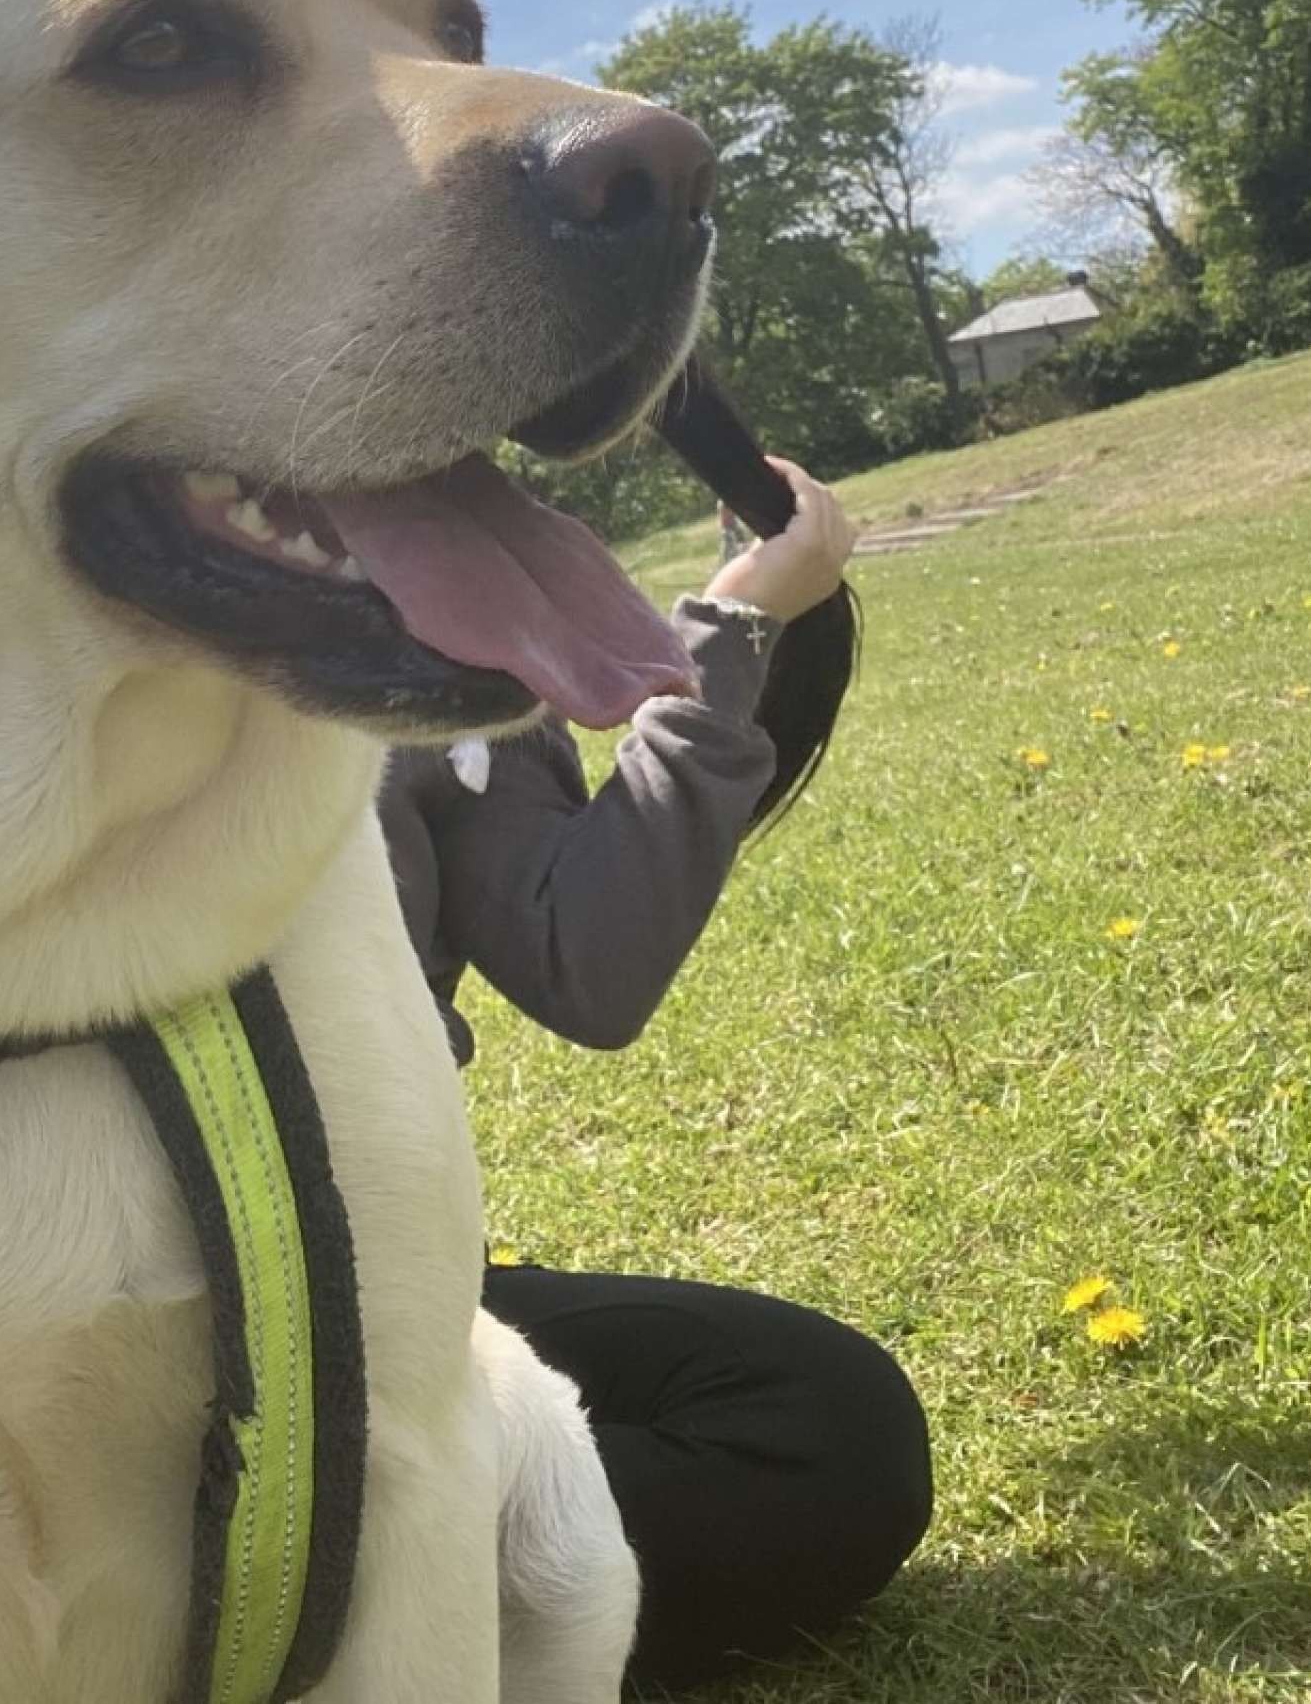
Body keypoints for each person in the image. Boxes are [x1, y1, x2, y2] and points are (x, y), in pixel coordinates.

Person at [378, 460, 932, 1697]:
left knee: (826, 1425)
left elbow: (586, 961)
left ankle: (321, 1578)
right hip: (93, 1289)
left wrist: (735, 630)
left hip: (387, 1284)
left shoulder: (450, 600)